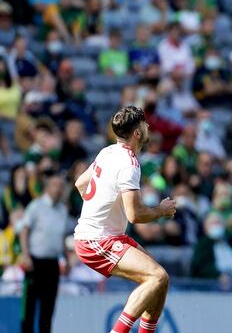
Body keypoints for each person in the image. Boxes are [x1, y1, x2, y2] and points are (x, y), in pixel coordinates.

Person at [73, 106, 177, 333]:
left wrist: (98, 208)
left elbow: (81, 183)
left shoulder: (107, 152)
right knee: (156, 278)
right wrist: (161, 210)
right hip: (97, 240)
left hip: (106, 235)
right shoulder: (129, 164)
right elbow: (135, 215)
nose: (148, 126)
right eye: (145, 124)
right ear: (137, 134)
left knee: (161, 280)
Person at [18, 171, 70, 333]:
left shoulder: (62, 210)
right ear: (46, 187)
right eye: (54, 185)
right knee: (29, 307)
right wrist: (25, 255)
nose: (58, 189)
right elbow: (24, 231)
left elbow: (61, 237)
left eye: (60, 186)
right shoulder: (36, 206)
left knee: (48, 308)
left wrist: (66, 259)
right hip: (35, 262)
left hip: (52, 264)